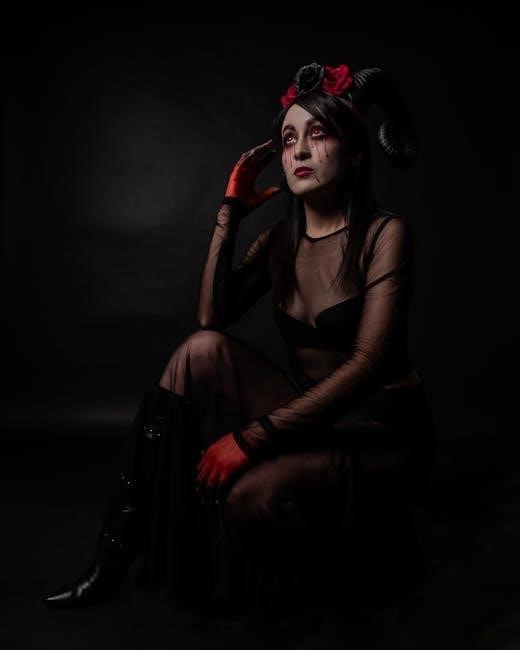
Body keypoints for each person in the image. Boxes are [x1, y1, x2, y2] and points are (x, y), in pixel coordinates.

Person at [42, 61, 436, 615]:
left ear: (354, 153)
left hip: (379, 431)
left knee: (250, 495)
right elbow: (211, 317)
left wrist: (251, 439)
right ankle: (116, 551)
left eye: (319, 134)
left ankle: (376, 557)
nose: (299, 150)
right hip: (313, 413)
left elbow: (369, 361)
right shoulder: (278, 241)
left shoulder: (385, 234)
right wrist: (229, 212)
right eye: (289, 139)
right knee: (198, 351)